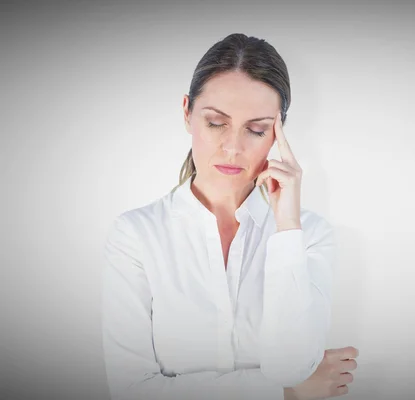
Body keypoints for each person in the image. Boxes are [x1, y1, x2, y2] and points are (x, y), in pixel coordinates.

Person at [101, 33, 358, 400]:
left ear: (279, 131)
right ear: (187, 112)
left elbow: (291, 367)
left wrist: (287, 226)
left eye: (256, 129)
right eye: (216, 123)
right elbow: (131, 391)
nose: (233, 147)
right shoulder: (136, 236)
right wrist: (288, 393)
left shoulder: (309, 235)